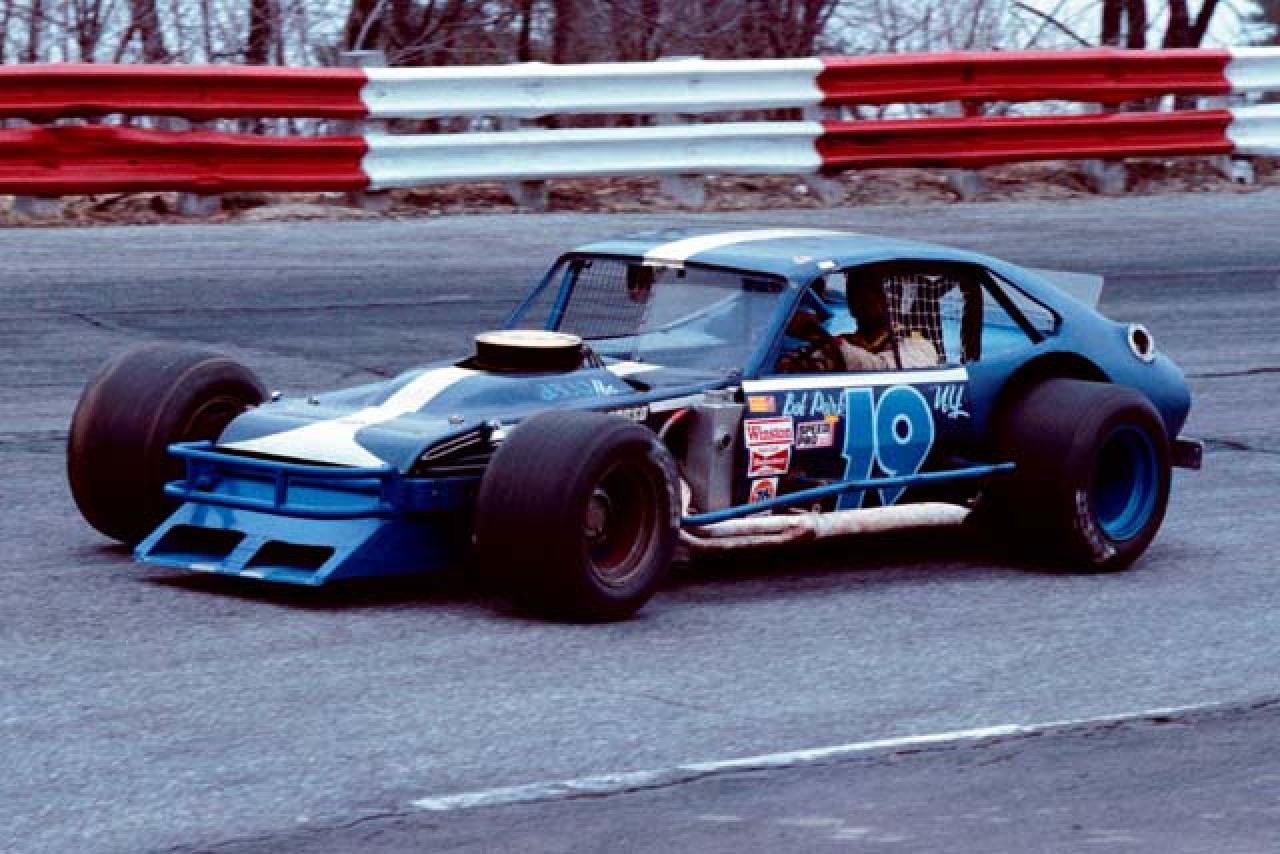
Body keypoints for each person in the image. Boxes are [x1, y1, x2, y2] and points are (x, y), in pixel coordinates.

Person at [777, 281, 938, 373]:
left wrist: (824, 337)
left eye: (870, 291)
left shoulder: (918, 346)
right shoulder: (845, 341)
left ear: (888, 298)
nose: (861, 298)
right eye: (854, 290)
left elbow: (882, 369)